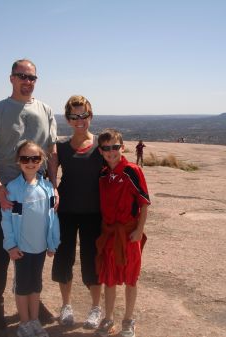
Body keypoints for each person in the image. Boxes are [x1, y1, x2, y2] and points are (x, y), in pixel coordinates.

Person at [0, 59, 58, 330]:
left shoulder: (45, 110)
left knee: (35, 249)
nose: (27, 81)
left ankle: (34, 300)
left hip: (37, 194)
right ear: (11, 78)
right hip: (7, 194)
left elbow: (52, 151)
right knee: (2, 250)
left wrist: (54, 186)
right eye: (22, 76)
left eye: (32, 77)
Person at [51, 95, 104, 329]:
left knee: (92, 261)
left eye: (84, 115)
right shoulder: (60, 146)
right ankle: (66, 306)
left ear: (90, 116)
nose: (79, 120)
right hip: (67, 212)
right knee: (64, 259)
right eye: (74, 116)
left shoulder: (102, 145)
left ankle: (95, 308)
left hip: (94, 212)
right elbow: (51, 180)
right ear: (68, 119)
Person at [95, 129, 150, 337]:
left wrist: (139, 230)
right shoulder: (102, 174)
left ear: (122, 147)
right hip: (110, 234)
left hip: (128, 233)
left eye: (115, 147)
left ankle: (128, 320)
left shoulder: (132, 171)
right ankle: (108, 319)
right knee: (109, 279)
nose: (111, 152)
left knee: (130, 279)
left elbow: (144, 204)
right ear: (101, 151)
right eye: (106, 148)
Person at [2, 141, 60, 337]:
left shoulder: (47, 188)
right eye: (25, 158)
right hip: (22, 249)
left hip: (41, 248)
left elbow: (53, 218)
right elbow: (7, 220)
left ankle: (34, 321)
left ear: (41, 161)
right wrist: (10, 245)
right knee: (22, 287)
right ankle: (24, 323)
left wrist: (52, 243)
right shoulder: (13, 189)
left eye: (34, 158)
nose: (30, 162)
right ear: (19, 161)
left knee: (36, 285)